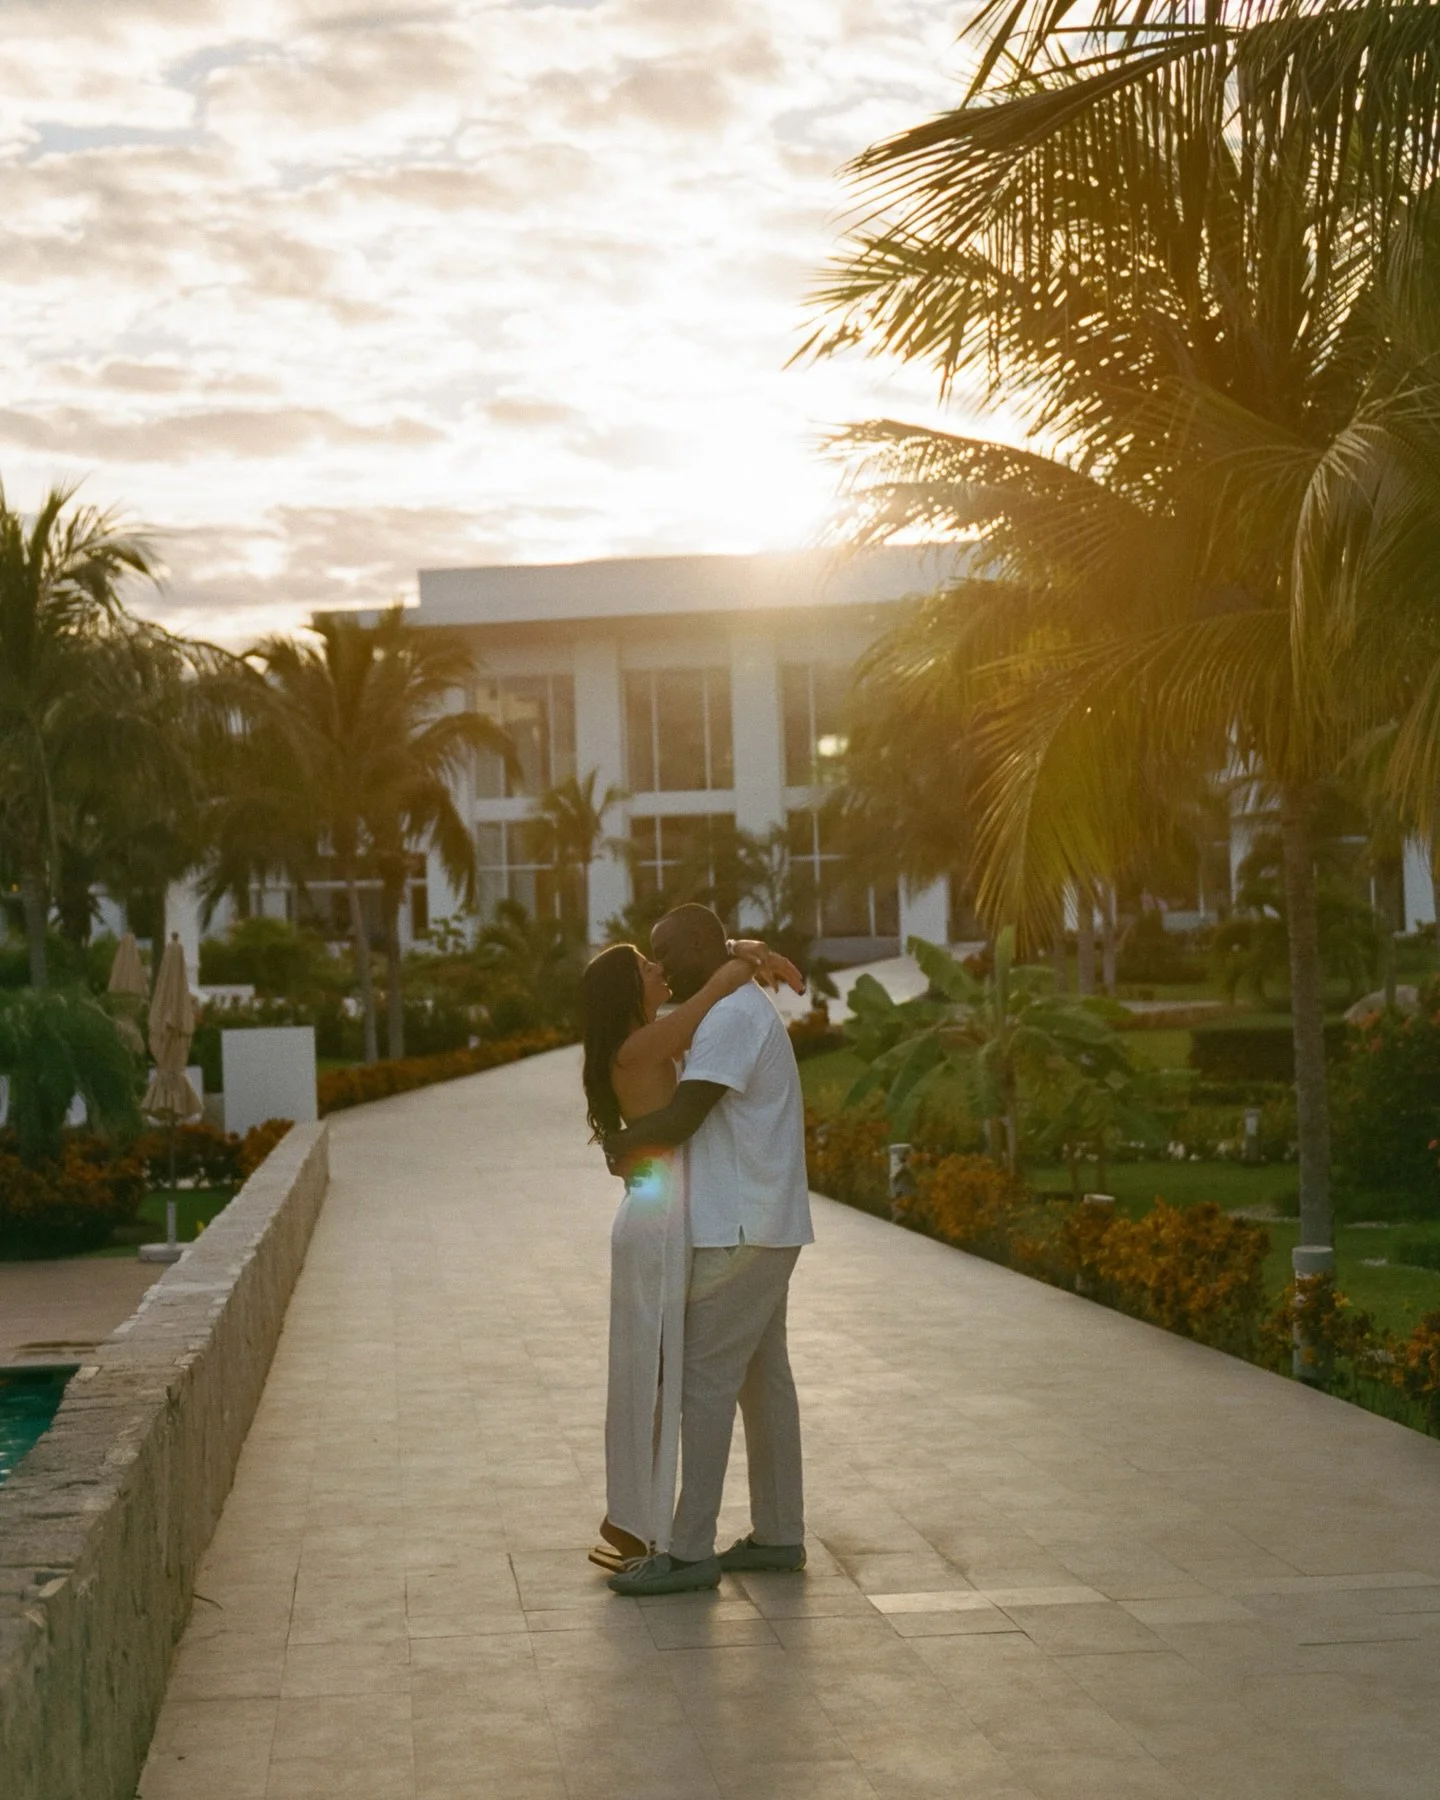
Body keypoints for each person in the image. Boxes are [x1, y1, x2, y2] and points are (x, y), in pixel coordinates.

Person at [601, 903, 814, 1598]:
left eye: (664, 950)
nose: (658, 964)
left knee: (704, 1380)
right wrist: (746, 952)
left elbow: (687, 1115)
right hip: (763, 1222)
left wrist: (621, 1146)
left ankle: (691, 1549)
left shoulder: (728, 1018)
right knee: (762, 1383)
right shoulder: (730, 1002)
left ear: (695, 951)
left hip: (743, 1229)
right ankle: (780, 1534)